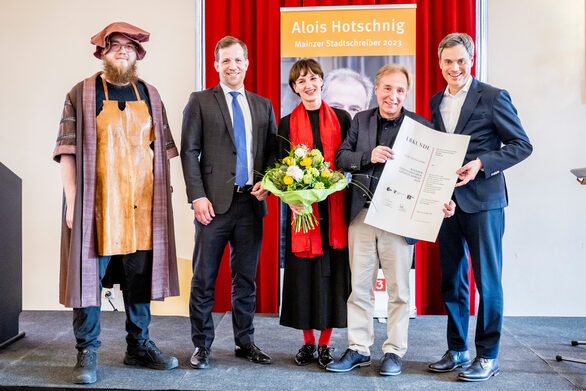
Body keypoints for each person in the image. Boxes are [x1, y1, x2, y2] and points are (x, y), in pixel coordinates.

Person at [53, 22, 180, 385]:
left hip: (142, 204)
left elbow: (162, 152)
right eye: (115, 47)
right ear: (103, 53)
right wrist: (72, 200)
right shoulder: (82, 93)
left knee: (139, 278)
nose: (122, 51)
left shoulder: (151, 95)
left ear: (138, 54)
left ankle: (138, 346)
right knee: (88, 278)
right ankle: (87, 350)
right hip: (98, 204)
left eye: (128, 47)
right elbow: (67, 151)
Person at [329, 64, 455, 376]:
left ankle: (394, 352)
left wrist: (443, 199)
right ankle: (358, 348)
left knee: (399, 291)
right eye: (387, 88)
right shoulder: (360, 120)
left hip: (400, 219)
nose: (392, 95)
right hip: (362, 216)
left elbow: (434, 173)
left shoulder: (420, 126)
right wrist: (367, 156)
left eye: (399, 90)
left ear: (406, 93)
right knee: (359, 288)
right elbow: (341, 157)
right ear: (376, 89)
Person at [427, 33, 532, 382]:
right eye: (448, 62)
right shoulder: (434, 101)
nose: (454, 68)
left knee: (487, 282)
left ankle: (488, 355)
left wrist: (483, 163)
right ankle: (457, 349)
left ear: (470, 60)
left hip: (485, 202)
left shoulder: (493, 96)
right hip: (447, 204)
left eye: (460, 60)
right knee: (452, 280)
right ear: (439, 63)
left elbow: (521, 145)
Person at [181, 36, 277, 369]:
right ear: (216, 65)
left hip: (251, 204)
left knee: (245, 279)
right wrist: (197, 196)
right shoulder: (200, 101)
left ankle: (245, 341)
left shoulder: (263, 105)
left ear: (247, 63)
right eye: (225, 61)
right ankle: (202, 345)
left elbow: (271, 155)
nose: (232, 66)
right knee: (203, 278)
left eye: (238, 60)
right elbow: (189, 151)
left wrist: (269, 180)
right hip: (212, 206)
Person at [277, 59, 351, 369]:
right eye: (300, 81)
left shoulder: (343, 119)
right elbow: (280, 169)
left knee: (331, 278)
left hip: (334, 212)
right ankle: (307, 343)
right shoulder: (284, 124)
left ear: (322, 80)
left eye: (312, 78)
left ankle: (325, 344)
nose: (308, 85)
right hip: (302, 214)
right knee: (304, 278)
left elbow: (347, 160)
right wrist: (290, 198)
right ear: (294, 88)